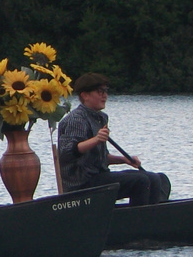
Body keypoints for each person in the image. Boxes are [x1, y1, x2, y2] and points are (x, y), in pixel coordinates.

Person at [56, 73, 164, 205]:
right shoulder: (76, 119)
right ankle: (138, 222)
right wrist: (96, 139)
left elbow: (100, 158)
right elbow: (66, 153)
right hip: (82, 184)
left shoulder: (101, 118)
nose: (105, 95)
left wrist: (124, 160)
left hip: (99, 176)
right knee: (140, 181)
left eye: (106, 91)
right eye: (99, 91)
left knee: (156, 179)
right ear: (85, 95)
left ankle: (152, 218)